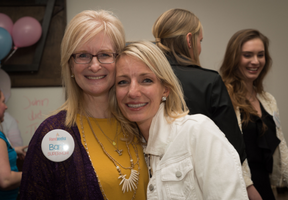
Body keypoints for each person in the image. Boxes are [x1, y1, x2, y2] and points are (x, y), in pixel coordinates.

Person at [19, 10, 148, 200]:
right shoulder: (52, 134)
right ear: (70, 64)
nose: (94, 65)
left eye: (104, 54)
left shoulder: (139, 122)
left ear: (118, 59)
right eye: (83, 55)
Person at [110, 40, 248, 199]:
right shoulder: (126, 146)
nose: (132, 92)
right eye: (123, 82)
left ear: (165, 89)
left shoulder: (198, 132)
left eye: (146, 80)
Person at [152, 8, 246, 164]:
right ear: (189, 40)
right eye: (199, 40)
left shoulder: (144, 78)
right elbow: (234, 147)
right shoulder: (210, 82)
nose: (199, 47)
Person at [220, 29, 288, 200]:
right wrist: (248, 187)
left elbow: (281, 146)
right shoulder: (223, 97)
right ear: (234, 58)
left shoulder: (268, 99)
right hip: (238, 188)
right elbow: (225, 152)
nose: (255, 61)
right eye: (248, 55)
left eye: (260, 55)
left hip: (265, 185)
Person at [0, 84, 27, 199]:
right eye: (3, 102)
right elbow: (4, 180)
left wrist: (13, 150)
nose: (6, 107)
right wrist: (34, 172)